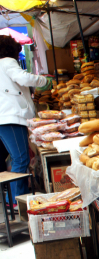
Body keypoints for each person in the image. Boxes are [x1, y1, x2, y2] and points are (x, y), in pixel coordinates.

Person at [0, 35, 51, 205]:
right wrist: (43, 81)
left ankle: (14, 197)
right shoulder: (7, 62)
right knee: (20, 159)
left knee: (15, 158)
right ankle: (16, 200)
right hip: (10, 118)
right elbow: (23, 78)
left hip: (5, 118)